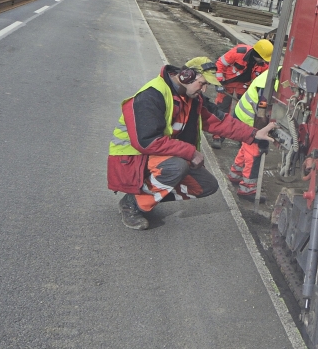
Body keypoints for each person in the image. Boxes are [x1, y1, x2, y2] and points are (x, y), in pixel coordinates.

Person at [107, 55, 276, 230]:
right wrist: (191, 152)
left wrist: (254, 134)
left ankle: (147, 195)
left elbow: (219, 121)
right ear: (186, 76)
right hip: (132, 159)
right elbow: (146, 142)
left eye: (206, 85)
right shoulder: (151, 96)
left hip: (158, 156)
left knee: (206, 185)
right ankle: (132, 203)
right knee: (177, 166)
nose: (203, 90)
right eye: (202, 83)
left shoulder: (191, 99)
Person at [227, 68, 280, 197]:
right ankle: (248, 188)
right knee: (255, 152)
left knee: (247, 146)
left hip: (242, 114)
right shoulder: (269, 85)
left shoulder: (275, 72)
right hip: (251, 120)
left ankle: (236, 173)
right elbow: (262, 114)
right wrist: (263, 133)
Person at [213, 38, 272, 106]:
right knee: (222, 105)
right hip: (228, 81)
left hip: (244, 85)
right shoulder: (238, 52)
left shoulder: (265, 64)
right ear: (256, 54)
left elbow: (263, 79)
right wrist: (218, 82)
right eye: (262, 59)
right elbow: (220, 64)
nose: (264, 61)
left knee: (244, 106)